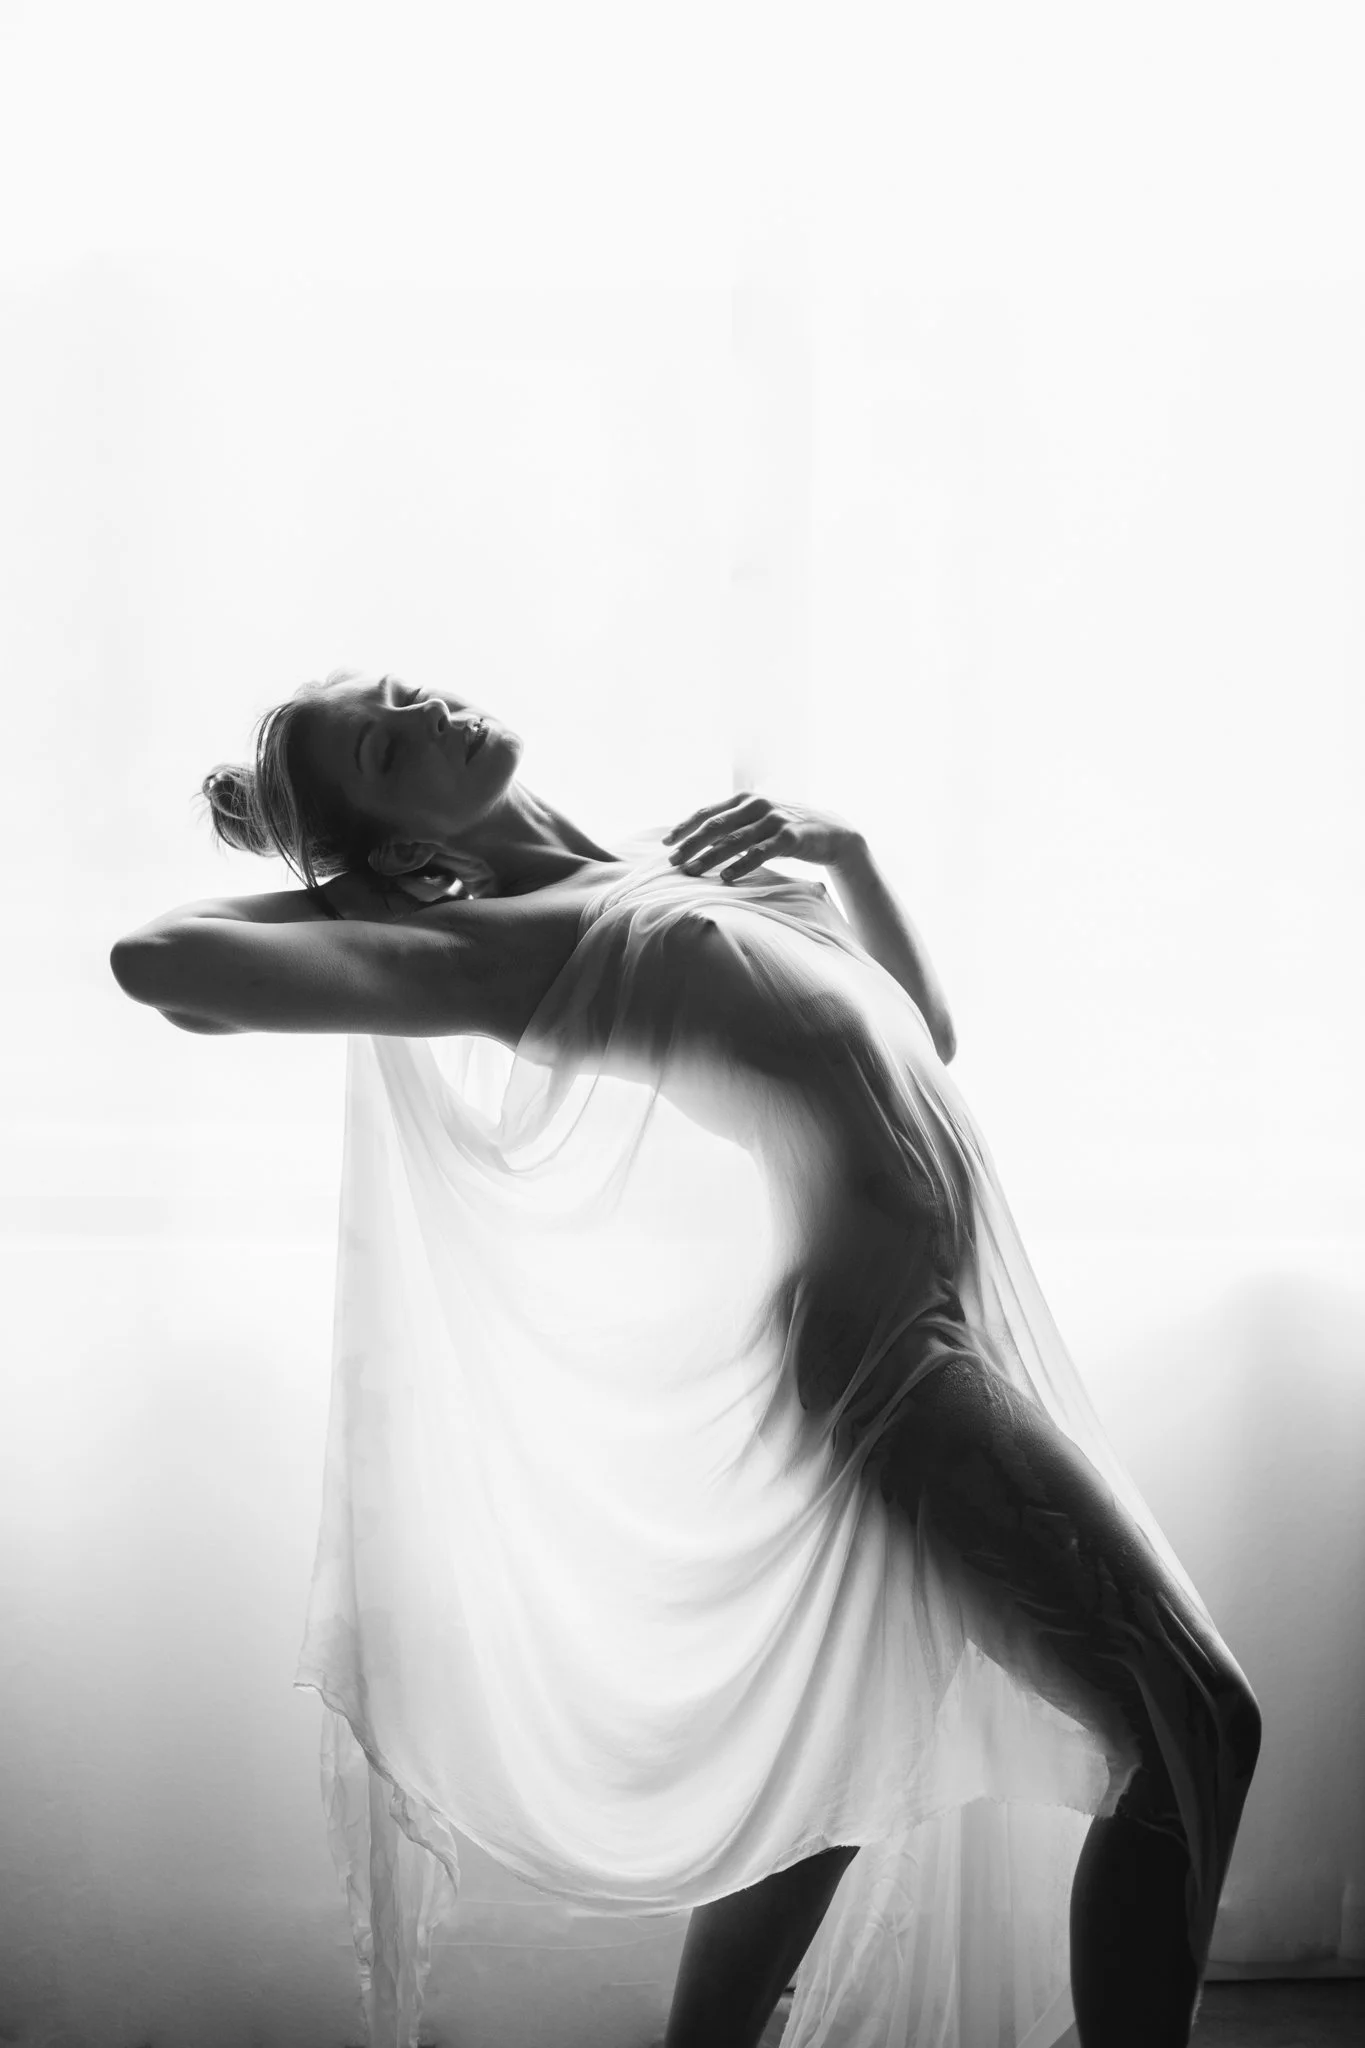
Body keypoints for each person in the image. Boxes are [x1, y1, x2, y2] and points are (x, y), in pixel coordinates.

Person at [110, 669, 1261, 2048]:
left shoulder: (689, 869)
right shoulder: (517, 950)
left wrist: (847, 858)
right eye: (384, 740)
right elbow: (159, 965)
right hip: (894, 1358)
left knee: (849, 1767)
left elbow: (922, 1040)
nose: (424, 708)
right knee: (1197, 1726)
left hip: (942, 1323)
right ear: (407, 844)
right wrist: (364, 893)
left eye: (404, 687)